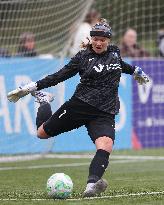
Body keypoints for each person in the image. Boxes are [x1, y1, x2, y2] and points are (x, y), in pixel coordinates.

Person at [7, 19, 149, 197]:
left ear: (108, 41)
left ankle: (91, 186)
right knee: (41, 133)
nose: (98, 43)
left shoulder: (114, 52)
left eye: (102, 40)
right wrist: (31, 88)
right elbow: (58, 76)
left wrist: (135, 70)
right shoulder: (82, 58)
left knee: (105, 146)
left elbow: (121, 65)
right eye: (95, 39)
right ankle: (44, 101)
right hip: (79, 106)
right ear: (91, 39)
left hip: (105, 112)